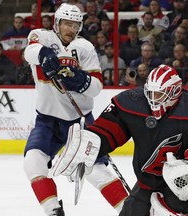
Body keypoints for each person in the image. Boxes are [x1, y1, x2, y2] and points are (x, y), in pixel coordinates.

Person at [51, 64, 188, 215]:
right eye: (150, 93)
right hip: (146, 183)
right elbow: (110, 129)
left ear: (175, 92)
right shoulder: (132, 102)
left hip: (183, 186)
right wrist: (91, 143)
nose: (153, 100)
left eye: (159, 95)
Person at [23, 4, 128, 216]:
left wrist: (78, 79)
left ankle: (129, 210)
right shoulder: (42, 38)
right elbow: (29, 51)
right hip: (47, 122)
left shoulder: (85, 47)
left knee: (95, 171)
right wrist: (45, 55)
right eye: (66, 23)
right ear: (57, 24)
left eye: (75, 24)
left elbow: (97, 87)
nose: (71, 28)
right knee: (32, 162)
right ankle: (53, 210)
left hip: (79, 123)